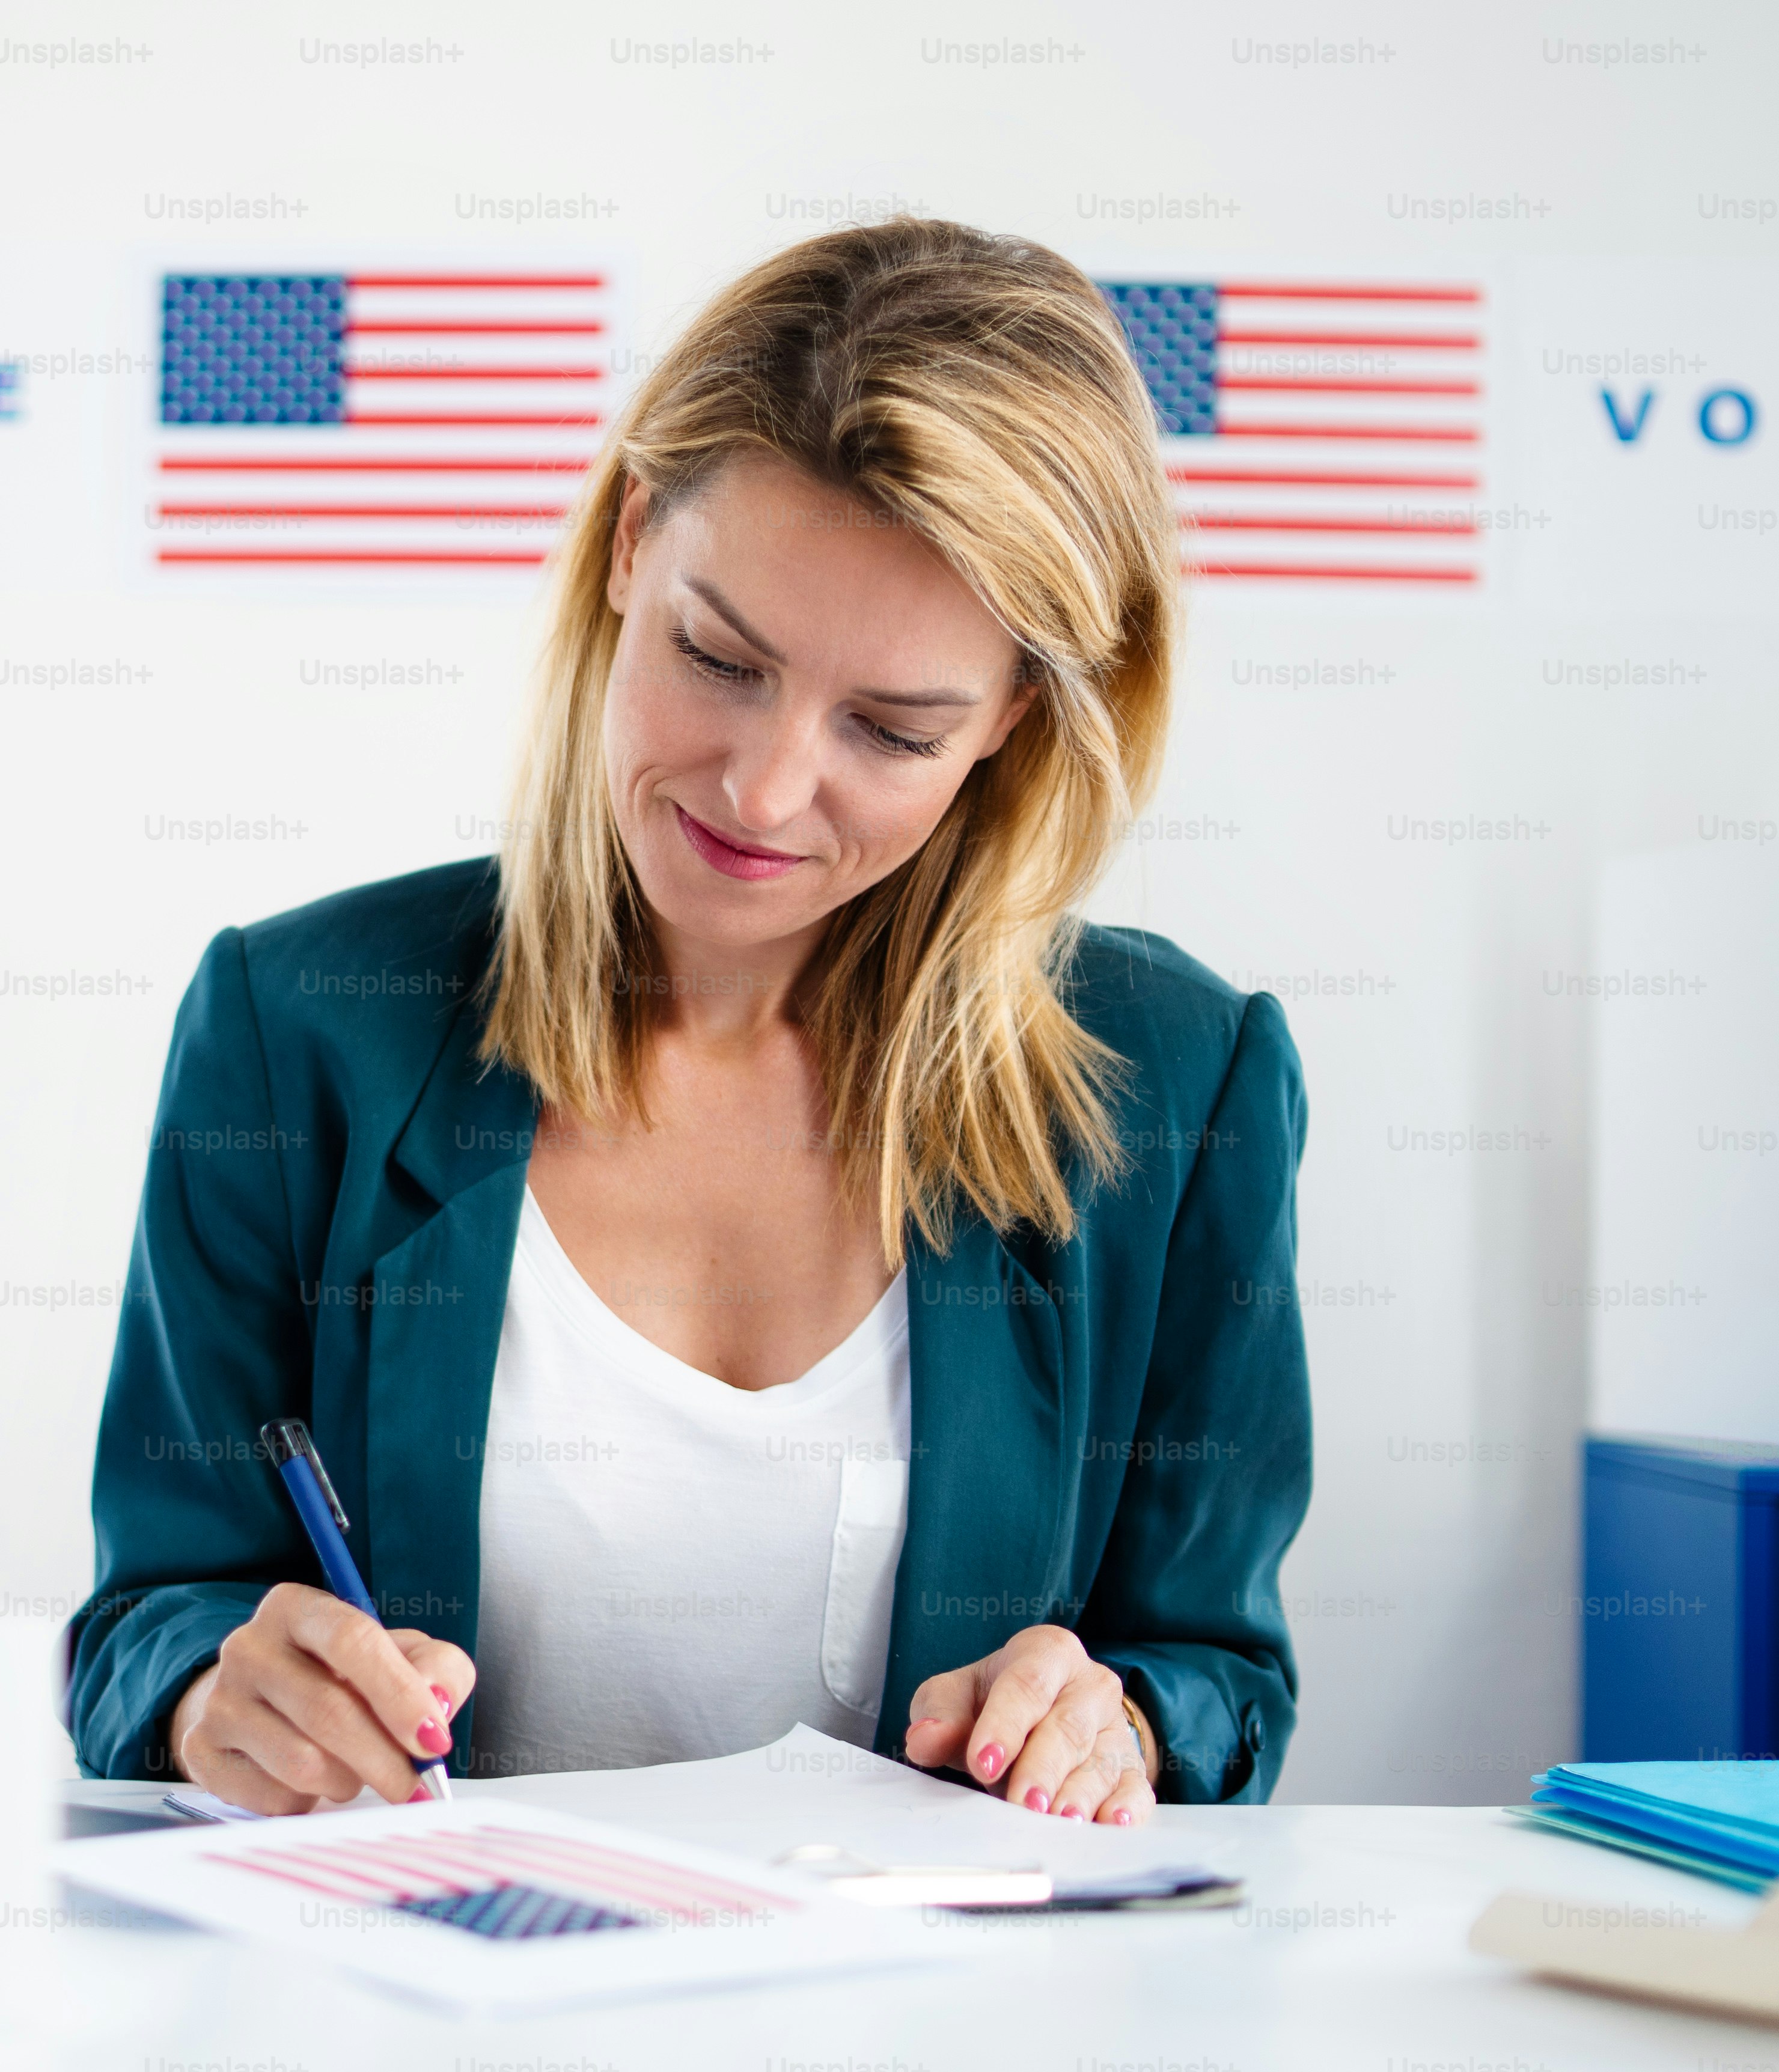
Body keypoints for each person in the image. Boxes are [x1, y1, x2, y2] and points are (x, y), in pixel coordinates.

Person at [68, 219, 1309, 1824]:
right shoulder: (298, 1026)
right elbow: (143, 1625)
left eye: (893, 726)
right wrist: (207, 1698)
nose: (765, 790)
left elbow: (1222, 1674)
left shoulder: (1182, 1089)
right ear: (629, 546)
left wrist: (1125, 1722)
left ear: (1011, 719)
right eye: (719, 659)